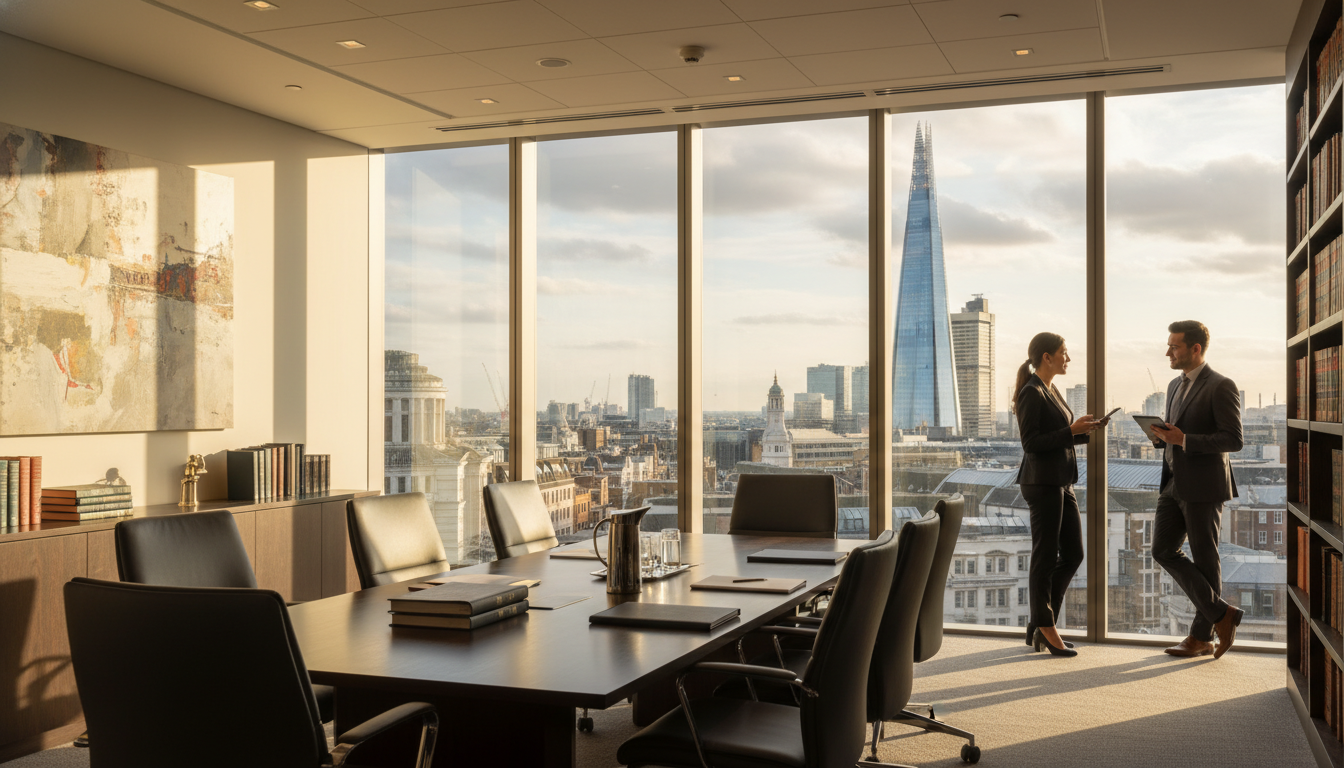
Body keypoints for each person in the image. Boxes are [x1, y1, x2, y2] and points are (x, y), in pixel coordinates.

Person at [1150, 320, 1244, 659]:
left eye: (1173, 346)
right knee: (1161, 550)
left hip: (1204, 485)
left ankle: (1201, 637)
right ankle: (1222, 613)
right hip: (1173, 482)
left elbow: (1234, 439)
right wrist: (1163, 438)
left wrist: (1184, 439)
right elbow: (1176, 433)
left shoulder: (1221, 385)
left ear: (1195, 349)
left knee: (1206, 559)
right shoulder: (1175, 385)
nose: (1167, 352)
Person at [1014, 332, 1104, 657]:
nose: (1068, 358)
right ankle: (1046, 626)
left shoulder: (1051, 389)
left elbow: (1058, 437)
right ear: (1046, 357)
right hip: (1042, 483)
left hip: (1062, 481)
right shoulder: (1031, 391)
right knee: (1045, 556)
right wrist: (1070, 431)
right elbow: (1031, 443)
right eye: (1064, 353)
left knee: (1073, 554)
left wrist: (1081, 431)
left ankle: (1040, 622)